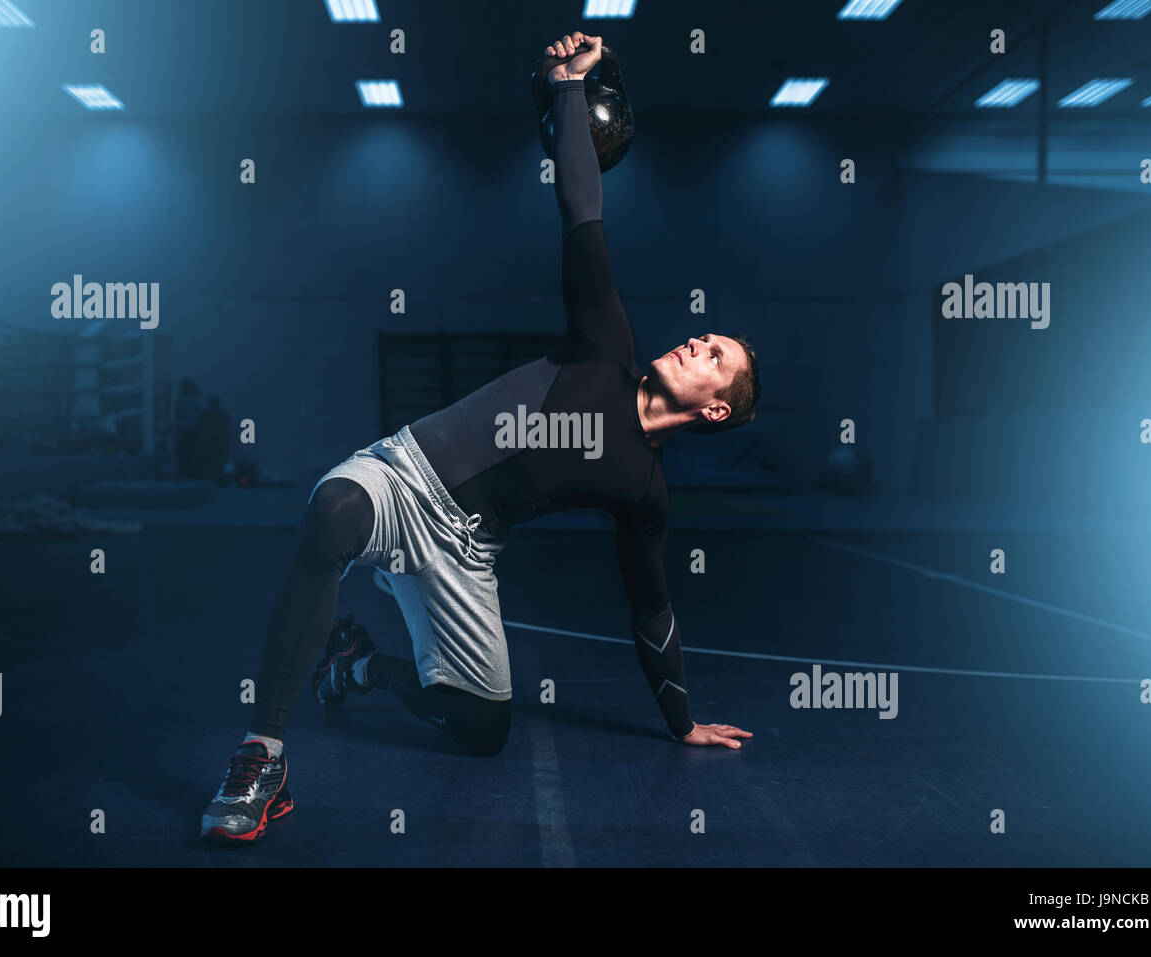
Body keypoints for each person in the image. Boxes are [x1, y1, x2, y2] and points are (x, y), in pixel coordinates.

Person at [201, 31, 758, 844]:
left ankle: (359, 664)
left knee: (484, 727)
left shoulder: (645, 490)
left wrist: (682, 722)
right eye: (704, 337)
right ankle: (263, 756)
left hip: (465, 551)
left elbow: (651, 607)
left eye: (714, 357)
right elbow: (583, 206)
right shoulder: (605, 345)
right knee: (333, 513)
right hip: (405, 478)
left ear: (714, 411)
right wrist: (568, 87)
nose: (696, 343)